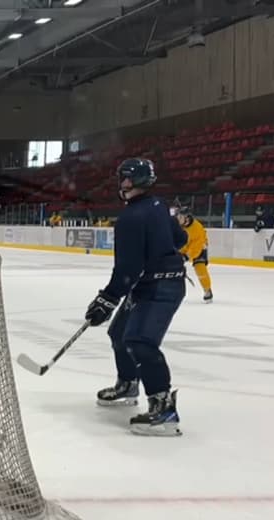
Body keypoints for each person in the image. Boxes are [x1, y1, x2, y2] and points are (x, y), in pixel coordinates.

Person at [86, 159, 187, 436]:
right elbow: (179, 238)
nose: (123, 184)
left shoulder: (131, 217)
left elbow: (127, 270)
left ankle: (163, 409)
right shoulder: (159, 206)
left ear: (140, 180)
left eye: (127, 179)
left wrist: (107, 299)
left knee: (140, 341)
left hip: (160, 287)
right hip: (154, 283)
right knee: (120, 332)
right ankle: (128, 385)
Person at [174, 204, 213, 303]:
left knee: (199, 266)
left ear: (187, 218)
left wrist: (187, 256)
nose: (178, 219)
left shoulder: (197, 228)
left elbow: (196, 247)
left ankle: (207, 289)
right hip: (184, 246)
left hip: (199, 248)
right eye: (178, 217)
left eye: (181, 217)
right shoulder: (178, 226)